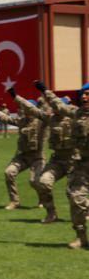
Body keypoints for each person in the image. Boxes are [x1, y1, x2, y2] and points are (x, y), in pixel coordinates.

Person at [38, 80, 89, 248]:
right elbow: (58, 105)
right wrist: (46, 91)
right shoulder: (77, 113)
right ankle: (81, 238)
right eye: (83, 95)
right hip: (81, 165)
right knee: (75, 198)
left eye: (88, 94)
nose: (85, 98)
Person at [13, 93, 73, 224]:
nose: (55, 109)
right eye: (53, 107)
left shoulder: (75, 117)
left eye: (57, 106)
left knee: (73, 192)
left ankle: (84, 210)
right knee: (43, 182)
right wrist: (16, 96)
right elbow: (33, 109)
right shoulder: (50, 119)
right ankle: (51, 213)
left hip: (74, 160)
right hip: (57, 160)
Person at [0, 96, 45, 210]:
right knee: (9, 173)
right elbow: (5, 118)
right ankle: (14, 201)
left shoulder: (41, 122)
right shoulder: (21, 121)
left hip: (37, 157)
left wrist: (44, 99)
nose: (24, 110)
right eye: (23, 108)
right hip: (22, 156)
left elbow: (48, 111)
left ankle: (42, 199)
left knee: (34, 181)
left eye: (27, 108)